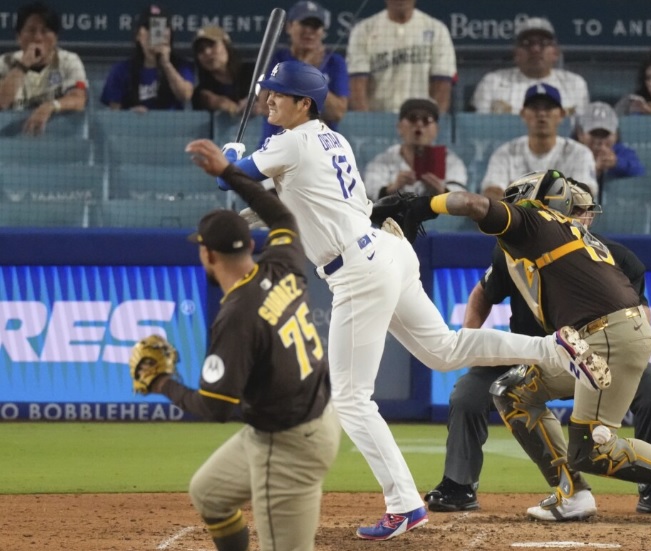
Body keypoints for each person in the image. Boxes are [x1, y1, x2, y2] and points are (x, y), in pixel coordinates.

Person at [212, 59, 611, 541]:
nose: (269, 99)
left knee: (351, 397)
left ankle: (403, 504)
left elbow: (230, 174)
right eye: (269, 91)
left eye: (279, 93)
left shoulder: (291, 140)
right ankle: (553, 349)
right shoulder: (328, 139)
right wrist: (243, 181)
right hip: (385, 250)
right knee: (442, 349)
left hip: (359, 266)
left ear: (304, 103)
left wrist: (229, 160)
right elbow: (291, 201)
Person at [405, 171, 651, 523]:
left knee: (593, 449)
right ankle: (571, 493)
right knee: (513, 391)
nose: (511, 206)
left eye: (517, 198)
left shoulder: (537, 224)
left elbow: (471, 203)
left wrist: (422, 205)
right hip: (572, 346)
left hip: (603, 338)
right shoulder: (568, 237)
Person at [135, 144, 342, 551]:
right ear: (250, 245)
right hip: (312, 420)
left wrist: (160, 381)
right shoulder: (282, 262)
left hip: (285, 446)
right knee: (209, 493)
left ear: (208, 255)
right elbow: (281, 216)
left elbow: (215, 406)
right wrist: (229, 171)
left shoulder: (236, 318)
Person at [480, 83, 597, 201]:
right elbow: (491, 193)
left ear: (561, 114)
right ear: (523, 114)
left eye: (548, 107)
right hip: (517, 219)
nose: (541, 114)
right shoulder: (505, 152)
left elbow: (583, 196)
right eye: (534, 107)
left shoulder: (579, 153)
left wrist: (520, 198)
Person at [260, 0, 348, 144]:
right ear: (289, 27)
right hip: (276, 145)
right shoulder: (276, 59)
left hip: (320, 148)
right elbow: (265, 105)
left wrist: (309, 73)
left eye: (315, 26)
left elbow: (337, 113)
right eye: (304, 23)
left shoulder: (335, 62)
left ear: (322, 31)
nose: (309, 31)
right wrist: (306, 68)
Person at [346, 0, 456, 114]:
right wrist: (366, 123)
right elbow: (356, 86)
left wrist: (431, 123)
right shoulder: (363, 30)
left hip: (419, 122)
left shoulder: (437, 30)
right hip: (379, 119)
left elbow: (442, 86)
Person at [470, 17, 589, 117]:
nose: (535, 49)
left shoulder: (575, 84)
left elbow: (583, 132)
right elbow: (477, 131)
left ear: (555, 53)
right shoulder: (492, 82)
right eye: (527, 43)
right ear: (516, 53)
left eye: (543, 43)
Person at [0, 1, 88, 135]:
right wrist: (23, 65)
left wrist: (49, 106)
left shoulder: (69, 61)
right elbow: (2, 102)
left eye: (45, 31)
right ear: (18, 37)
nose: (38, 38)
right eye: (31, 30)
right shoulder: (5, 62)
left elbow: (79, 99)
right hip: (11, 138)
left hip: (57, 137)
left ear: (56, 38)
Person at [363, 97, 466, 200]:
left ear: (436, 130)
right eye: (412, 118)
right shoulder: (383, 161)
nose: (419, 124)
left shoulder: (451, 162)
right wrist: (393, 188)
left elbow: (461, 199)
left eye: (427, 119)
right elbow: (370, 194)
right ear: (399, 127)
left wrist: (442, 191)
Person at [100, 4, 194, 111]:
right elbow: (114, 112)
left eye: (161, 27)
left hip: (171, 126)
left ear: (170, 33)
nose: (156, 32)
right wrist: (129, 115)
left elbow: (185, 95)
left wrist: (166, 64)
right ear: (138, 35)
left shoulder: (182, 65)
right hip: (132, 126)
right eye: (149, 27)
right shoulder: (121, 70)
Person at [573, 101, 645, 201]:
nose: (599, 140)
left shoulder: (622, 153)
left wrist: (616, 163)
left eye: (604, 134)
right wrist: (592, 171)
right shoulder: (570, 153)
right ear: (580, 134)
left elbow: (639, 171)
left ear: (616, 135)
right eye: (594, 133)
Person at [191, 25, 253, 114]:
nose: (207, 52)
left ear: (226, 45)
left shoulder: (253, 72)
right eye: (200, 50)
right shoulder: (201, 91)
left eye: (212, 45)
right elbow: (212, 100)